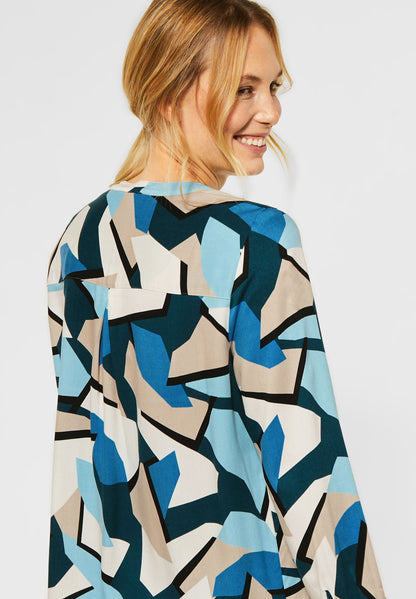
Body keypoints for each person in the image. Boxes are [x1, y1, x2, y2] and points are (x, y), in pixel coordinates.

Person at [46, 1, 386, 597]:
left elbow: (81, 458)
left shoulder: (79, 240)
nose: (271, 111)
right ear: (169, 89)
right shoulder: (256, 240)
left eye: (274, 86)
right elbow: (310, 471)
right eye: (243, 88)